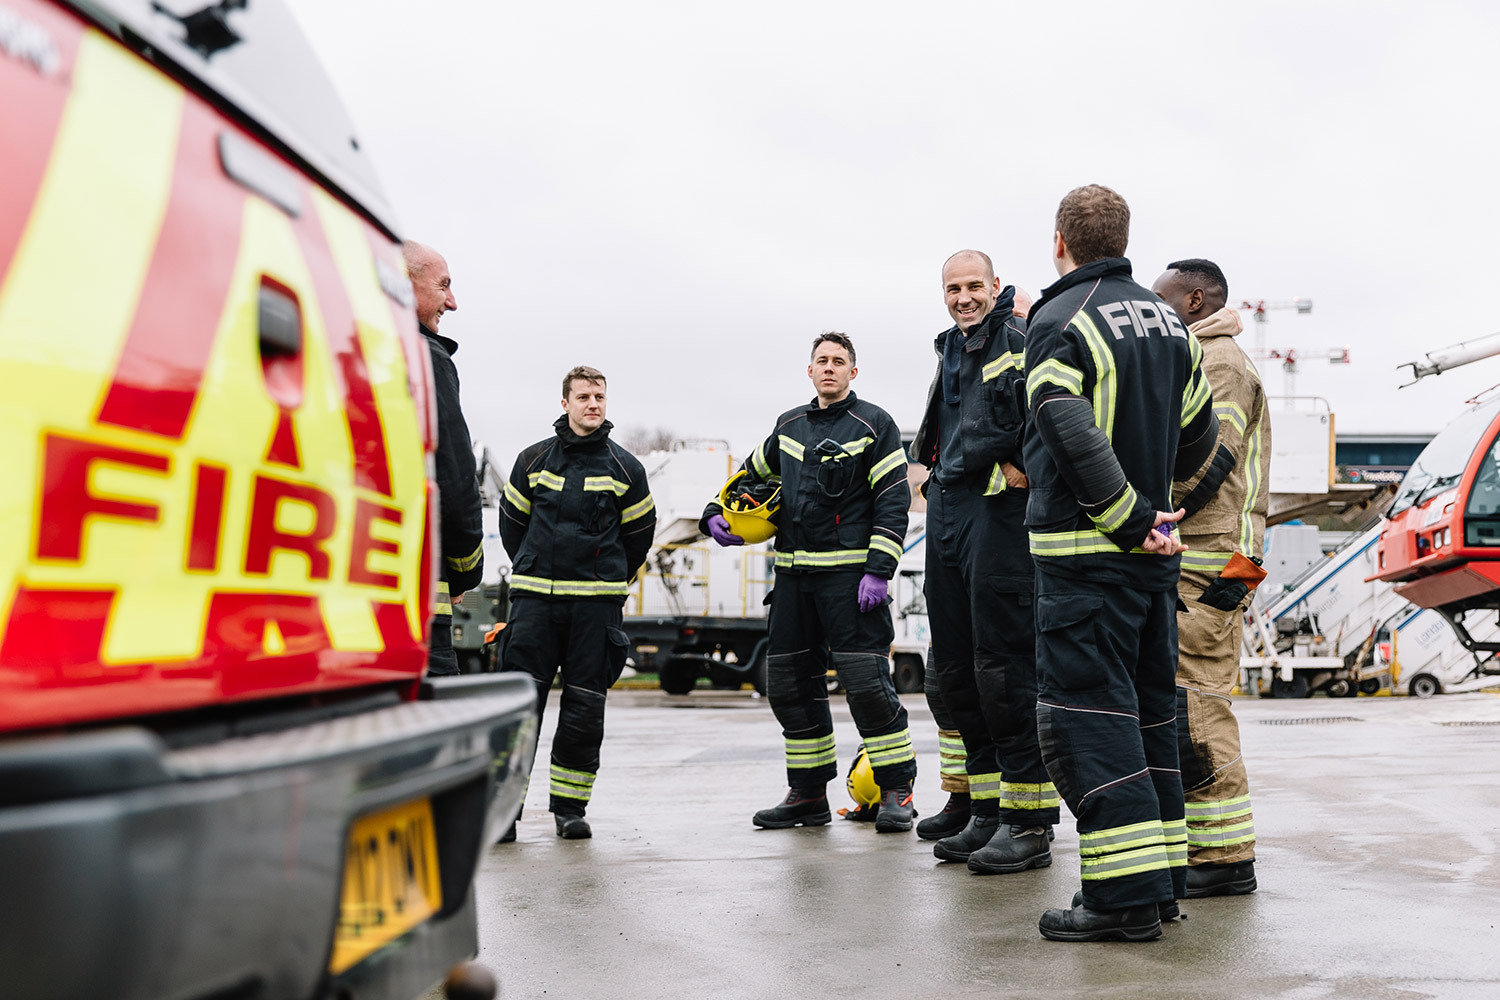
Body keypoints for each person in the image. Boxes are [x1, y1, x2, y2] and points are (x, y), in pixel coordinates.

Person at [1023, 185, 1224, 942]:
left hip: (1088, 559)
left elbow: (1064, 421)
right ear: (1124, 237)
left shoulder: (1060, 319)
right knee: (1147, 718)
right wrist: (1159, 510)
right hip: (1150, 568)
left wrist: (1129, 519)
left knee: (1088, 722)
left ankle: (1121, 900)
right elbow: (1204, 438)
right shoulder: (1171, 322)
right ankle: (1163, 883)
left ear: (1060, 242)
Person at [702, 333, 916, 832]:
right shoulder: (789, 426)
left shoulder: (875, 425)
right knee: (790, 687)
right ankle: (807, 794)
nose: (829, 368)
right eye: (822, 360)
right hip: (794, 581)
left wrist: (878, 569)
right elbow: (750, 478)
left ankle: (897, 791)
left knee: (866, 686)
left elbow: (892, 499)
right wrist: (715, 511)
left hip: (850, 581)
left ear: (853, 373)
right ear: (809, 370)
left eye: (839, 362)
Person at [909, 253, 1059, 872]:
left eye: (975, 286)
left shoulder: (1021, 335)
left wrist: (1026, 468)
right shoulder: (950, 346)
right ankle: (988, 810)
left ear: (997, 287)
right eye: (953, 288)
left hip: (998, 516)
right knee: (954, 670)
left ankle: (1029, 825)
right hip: (950, 509)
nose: (964, 297)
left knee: (1005, 669)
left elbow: (1055, 410)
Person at [1152, 259, 1269, 898]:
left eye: (1164, 298)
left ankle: (1226, 858)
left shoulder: (1219, 362)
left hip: (1214, 558)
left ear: (1195, 300)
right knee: (1186, 699)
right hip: (1212, 555)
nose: (1153, 306)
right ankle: (1208, 846)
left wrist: (1137, 507)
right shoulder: (1202, 356)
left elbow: (1208, 464)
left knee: (1198, 702)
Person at [499, 366, 657, 839]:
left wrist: (606, 579)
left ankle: (570, 809)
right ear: (564, 402)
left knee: (584, 711)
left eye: (600, 397)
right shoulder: (531, 461)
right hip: (534, 608)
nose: (594, 404)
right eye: (584, 396)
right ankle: (504, 811)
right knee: (521, 710)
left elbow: (638, 539)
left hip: (595, 609)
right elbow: (512, 529)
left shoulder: (627, 468)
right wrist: (535, 567)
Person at [404, 240, 484, 677]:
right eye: (443, 286)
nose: (452, 302)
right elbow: (455, 481)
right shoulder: (426, 360)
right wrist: (466, 573)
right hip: (418, 606)